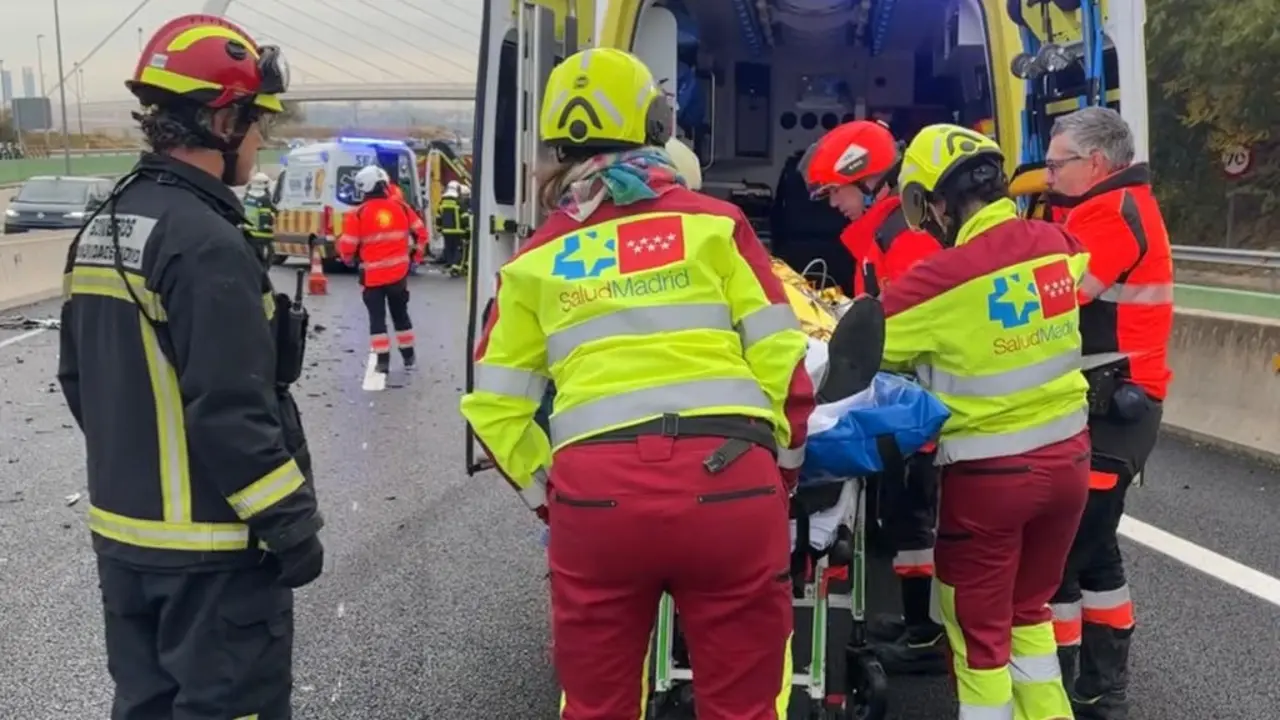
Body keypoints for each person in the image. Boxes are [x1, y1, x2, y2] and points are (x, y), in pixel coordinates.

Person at [459, 46, 815, 720]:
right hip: (732, 486)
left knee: (597, 707)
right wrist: (782, 470)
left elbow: (494, 407)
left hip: (598, 504)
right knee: (743, 707)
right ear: (657, 129)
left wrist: (549, 498)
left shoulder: (534, 261)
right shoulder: (717, 224)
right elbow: (782, 359)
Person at [56, 14, 324, 720]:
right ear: (220, 118)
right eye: (256, 123)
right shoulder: (205, 242)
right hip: (212, 561)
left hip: (126, 546)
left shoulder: (106, 224)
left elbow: (78, 380)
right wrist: (293, 527)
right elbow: (232, 412)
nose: (259, 141)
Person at [871, 123, 1094, 719]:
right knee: (1030, 619)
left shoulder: (938, 280)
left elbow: (865, 341)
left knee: (979, 641)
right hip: (1069, 463)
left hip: (991, 481)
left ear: (938, 203)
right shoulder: (1056, 243)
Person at [800, 119, 948, 674]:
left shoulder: (901, 238)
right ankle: (917, 624)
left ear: (864, 179)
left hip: (913, 400)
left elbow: (909, 317)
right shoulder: (884, 232)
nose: (830, 203)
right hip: (903, 394)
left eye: (833, 191)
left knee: (915, 522)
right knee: (905, 520)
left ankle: (924, 634)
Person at [1044, 106, 1173, 720]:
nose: (1045, 176)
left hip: (1111, 408)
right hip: (1120, 404)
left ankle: (1060, 688)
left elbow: (1058, 295)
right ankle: (1099, 690)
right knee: (1096, 552)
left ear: (1094, 164)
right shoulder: (1113, 206)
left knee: (1062, 552)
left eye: (1054, 164)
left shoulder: (1110, 213)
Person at [336, 164, 426, 374]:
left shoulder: (358, 214)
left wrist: (348, 259)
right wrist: (416, 257)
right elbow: (421, 234)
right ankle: (409, 357)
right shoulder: (402, 207)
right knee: (401, 316)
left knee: (377, 320)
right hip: (398, 275)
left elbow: (348, 245)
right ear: (384, 184)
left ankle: (383, 362)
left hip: (372, 278)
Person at [243, 170, 276, 264]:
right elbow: (266, 215)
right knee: (265, 261)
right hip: (263, 235)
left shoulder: (247, 196)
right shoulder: (264, 198)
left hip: (248, 234)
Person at [435, 180, 467, 274]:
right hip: (458, 231)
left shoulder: (442, 202)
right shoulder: (458, 202)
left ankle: (450, 263)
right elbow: (464, 217)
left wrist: (439, 228)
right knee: (458, 248)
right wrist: (467, 229)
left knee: (449, 248)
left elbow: (438, 216)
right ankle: (455, 266)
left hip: (446, 231)